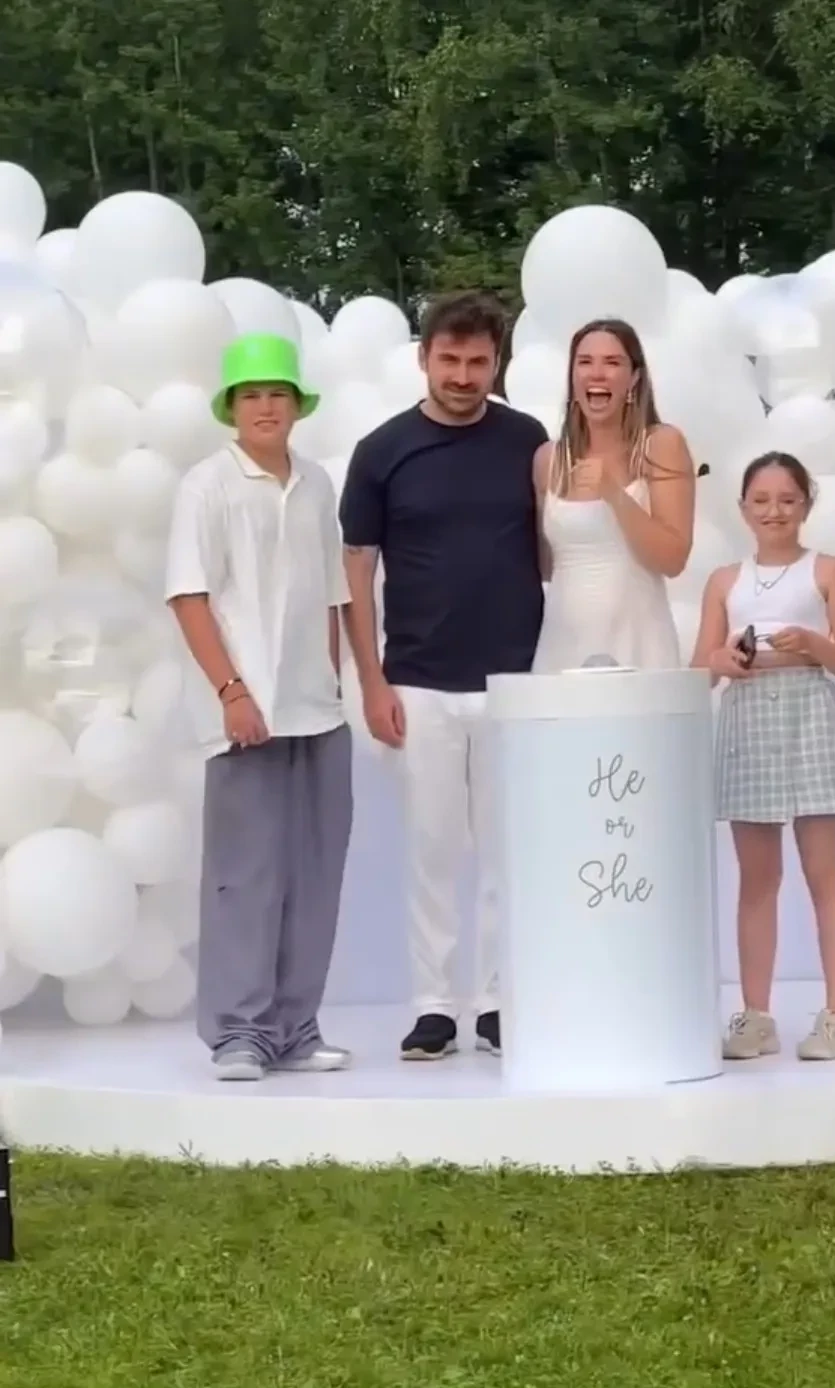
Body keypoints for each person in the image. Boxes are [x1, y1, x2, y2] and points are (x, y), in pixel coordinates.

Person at [339, 291, 547, 1061]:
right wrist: (371, 681)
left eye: (477, 362)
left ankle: (493, 1003)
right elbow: (355, 571)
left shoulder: (527, 440)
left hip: (512, 681)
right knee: (432, 852)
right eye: (449, 360)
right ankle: (432, 1007)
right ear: (424, 358)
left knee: (503, 852)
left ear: (497, 364)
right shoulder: (382, 451)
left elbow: (555, 545)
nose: (462, 376)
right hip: (417, 680)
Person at [165, 333, 354, 1081]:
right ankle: (239, 1032)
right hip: (247, 715)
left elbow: (332, 597)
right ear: (232, 408)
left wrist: (333, 687)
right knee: (246, 877)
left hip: (318, 713)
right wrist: (232, 692)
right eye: (252, 395)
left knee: (313, 877)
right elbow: (189, 596)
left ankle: (295, 1028)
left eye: (278, 393)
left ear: (297, 405)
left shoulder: (316, 484)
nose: (266, 406)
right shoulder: (206, 486)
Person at [691, 451, 835, 1062]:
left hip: (809, 714)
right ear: (743, 508)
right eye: (762, 500)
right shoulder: (724, 581)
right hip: (747, 718)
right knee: (757, 878)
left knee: (825, 872)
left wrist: (814, 643)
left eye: (788, 500)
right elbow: (701, 667)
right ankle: (756, 1016)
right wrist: (725, 659)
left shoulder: (828, 571)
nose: (774, 511)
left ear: (806, 505)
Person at [531, 319, 694, 671]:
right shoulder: (548, 459)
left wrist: (614, 494)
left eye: (612, 362)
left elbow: (673, 560)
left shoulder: (661, 444)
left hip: (638, 641)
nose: (597, 373)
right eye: (585, 362)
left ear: (634, 378)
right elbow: (544, 564)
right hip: (563, 644)